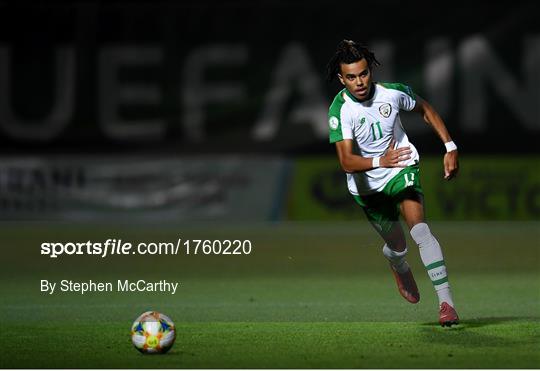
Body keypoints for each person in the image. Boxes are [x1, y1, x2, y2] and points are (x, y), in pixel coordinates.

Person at [326, 40, 460, 326]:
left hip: (401, 167)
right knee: (397, 246)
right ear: (341, 79)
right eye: (351, 77)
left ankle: (446, 303)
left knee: (420, 230)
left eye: (363, 74)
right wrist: (379, 161)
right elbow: (346, 161)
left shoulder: (392, 93)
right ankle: (398, 264)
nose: (359, 82)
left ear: (370, 70)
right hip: (367, 187)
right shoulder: (341, 110)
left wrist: (450, 147)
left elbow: (426, 109)